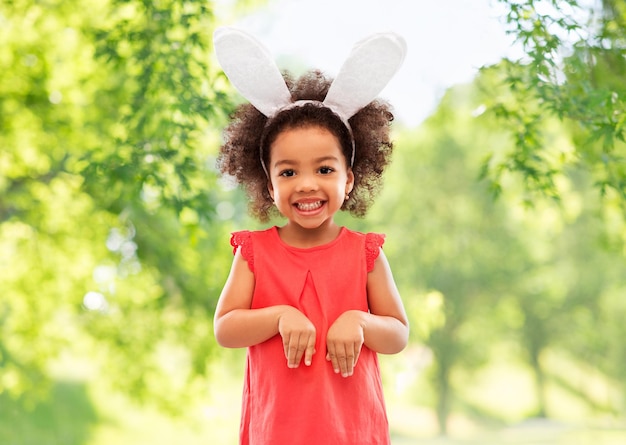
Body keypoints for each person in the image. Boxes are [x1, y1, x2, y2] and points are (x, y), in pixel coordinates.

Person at [213, 27, 409, 445]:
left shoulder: (365, 254)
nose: (306, 185)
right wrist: (278, 316)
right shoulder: (253, 252)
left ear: (350, 178)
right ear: (268, 184)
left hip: (353, 432)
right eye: (288, 172)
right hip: (276, 433)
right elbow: (226, 328)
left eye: (324, 169)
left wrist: (358, 320)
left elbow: (397, 334)